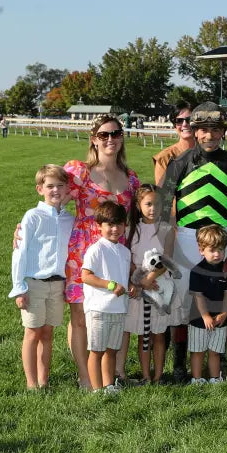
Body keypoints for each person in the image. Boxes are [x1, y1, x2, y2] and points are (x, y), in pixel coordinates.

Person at [160, 102, 227, 343]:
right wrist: (167, 246)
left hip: (222, 240)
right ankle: (181, 364)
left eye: (215, 129)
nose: (209, 135)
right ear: (195, 131)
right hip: (186, 239)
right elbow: (162, 207)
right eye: (203, 129)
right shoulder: (179, 164)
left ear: (223, 131)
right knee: (181, 299)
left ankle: (215, 363)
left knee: (218, 297)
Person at [63, 116, 140, 388]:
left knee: (116, 313)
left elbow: (137, 219)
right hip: (83, 251)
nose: (111, 139)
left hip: (116, 254)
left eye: (116, 134)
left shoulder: (131, 178)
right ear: (94, 138)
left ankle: (116, 374)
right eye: (104, 134)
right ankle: (86, 376)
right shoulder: (79, 172)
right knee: (82, 316)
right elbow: (54, 201)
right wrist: (24, 229)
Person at [9, 164, 74, 390]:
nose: (55, 190)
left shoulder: (69, 220)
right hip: (34, 284)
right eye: (49, 186)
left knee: (48, 333)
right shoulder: (32, 217)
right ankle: (31, 383)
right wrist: (19, 288)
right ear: (40, 189)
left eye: (60, 186)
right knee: (32, 332)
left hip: (57, 285)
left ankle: (44, 380)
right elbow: (20, 253)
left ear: (67, 189)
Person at [152, 99, 196, 379]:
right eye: (179, 121)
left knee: (196, 299)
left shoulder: (209, 153)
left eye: (189, 120)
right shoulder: (166, 157)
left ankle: (194, 356)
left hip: (203, 236)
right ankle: (173, 362)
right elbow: (163, 199)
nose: (184, 125)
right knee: (175, 298)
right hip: (176, 234)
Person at [80, 200, 132, 393]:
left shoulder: (125, 252)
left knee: (111, 350)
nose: (115, 229)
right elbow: (86, 276)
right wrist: (110, 285)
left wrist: (131, 286)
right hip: (99, 309)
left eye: (119, 224)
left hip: (119, 309)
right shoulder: (96, 249)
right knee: (97, 350)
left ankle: (108, 385)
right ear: (99, 226)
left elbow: (124, 277)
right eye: (110, 224)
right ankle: (96, 389)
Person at [124, 184, 171, 384]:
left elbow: (167, 260)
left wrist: (150, 279)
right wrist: (141, 281)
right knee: (143, 334)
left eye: (157, 204)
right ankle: (145, 375)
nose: (153, 208)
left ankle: (159, 375)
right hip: (139, 288)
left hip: (160, 287)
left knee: (158, 334)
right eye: (148, 204)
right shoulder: (131, 230)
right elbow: (128, 261)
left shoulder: (167, 229)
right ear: (138, 205)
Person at [188, 225, 227, 385]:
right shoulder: (197, 271)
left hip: (220, 320)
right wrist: (205, 316)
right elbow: (198, 296)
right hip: (199, 319)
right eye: (212, 250)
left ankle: (215, 378)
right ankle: (197, 378)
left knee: (215, 352)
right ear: (201, 250)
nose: (217, 254)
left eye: (221, 250)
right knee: (198, 351)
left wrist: (224, 313)